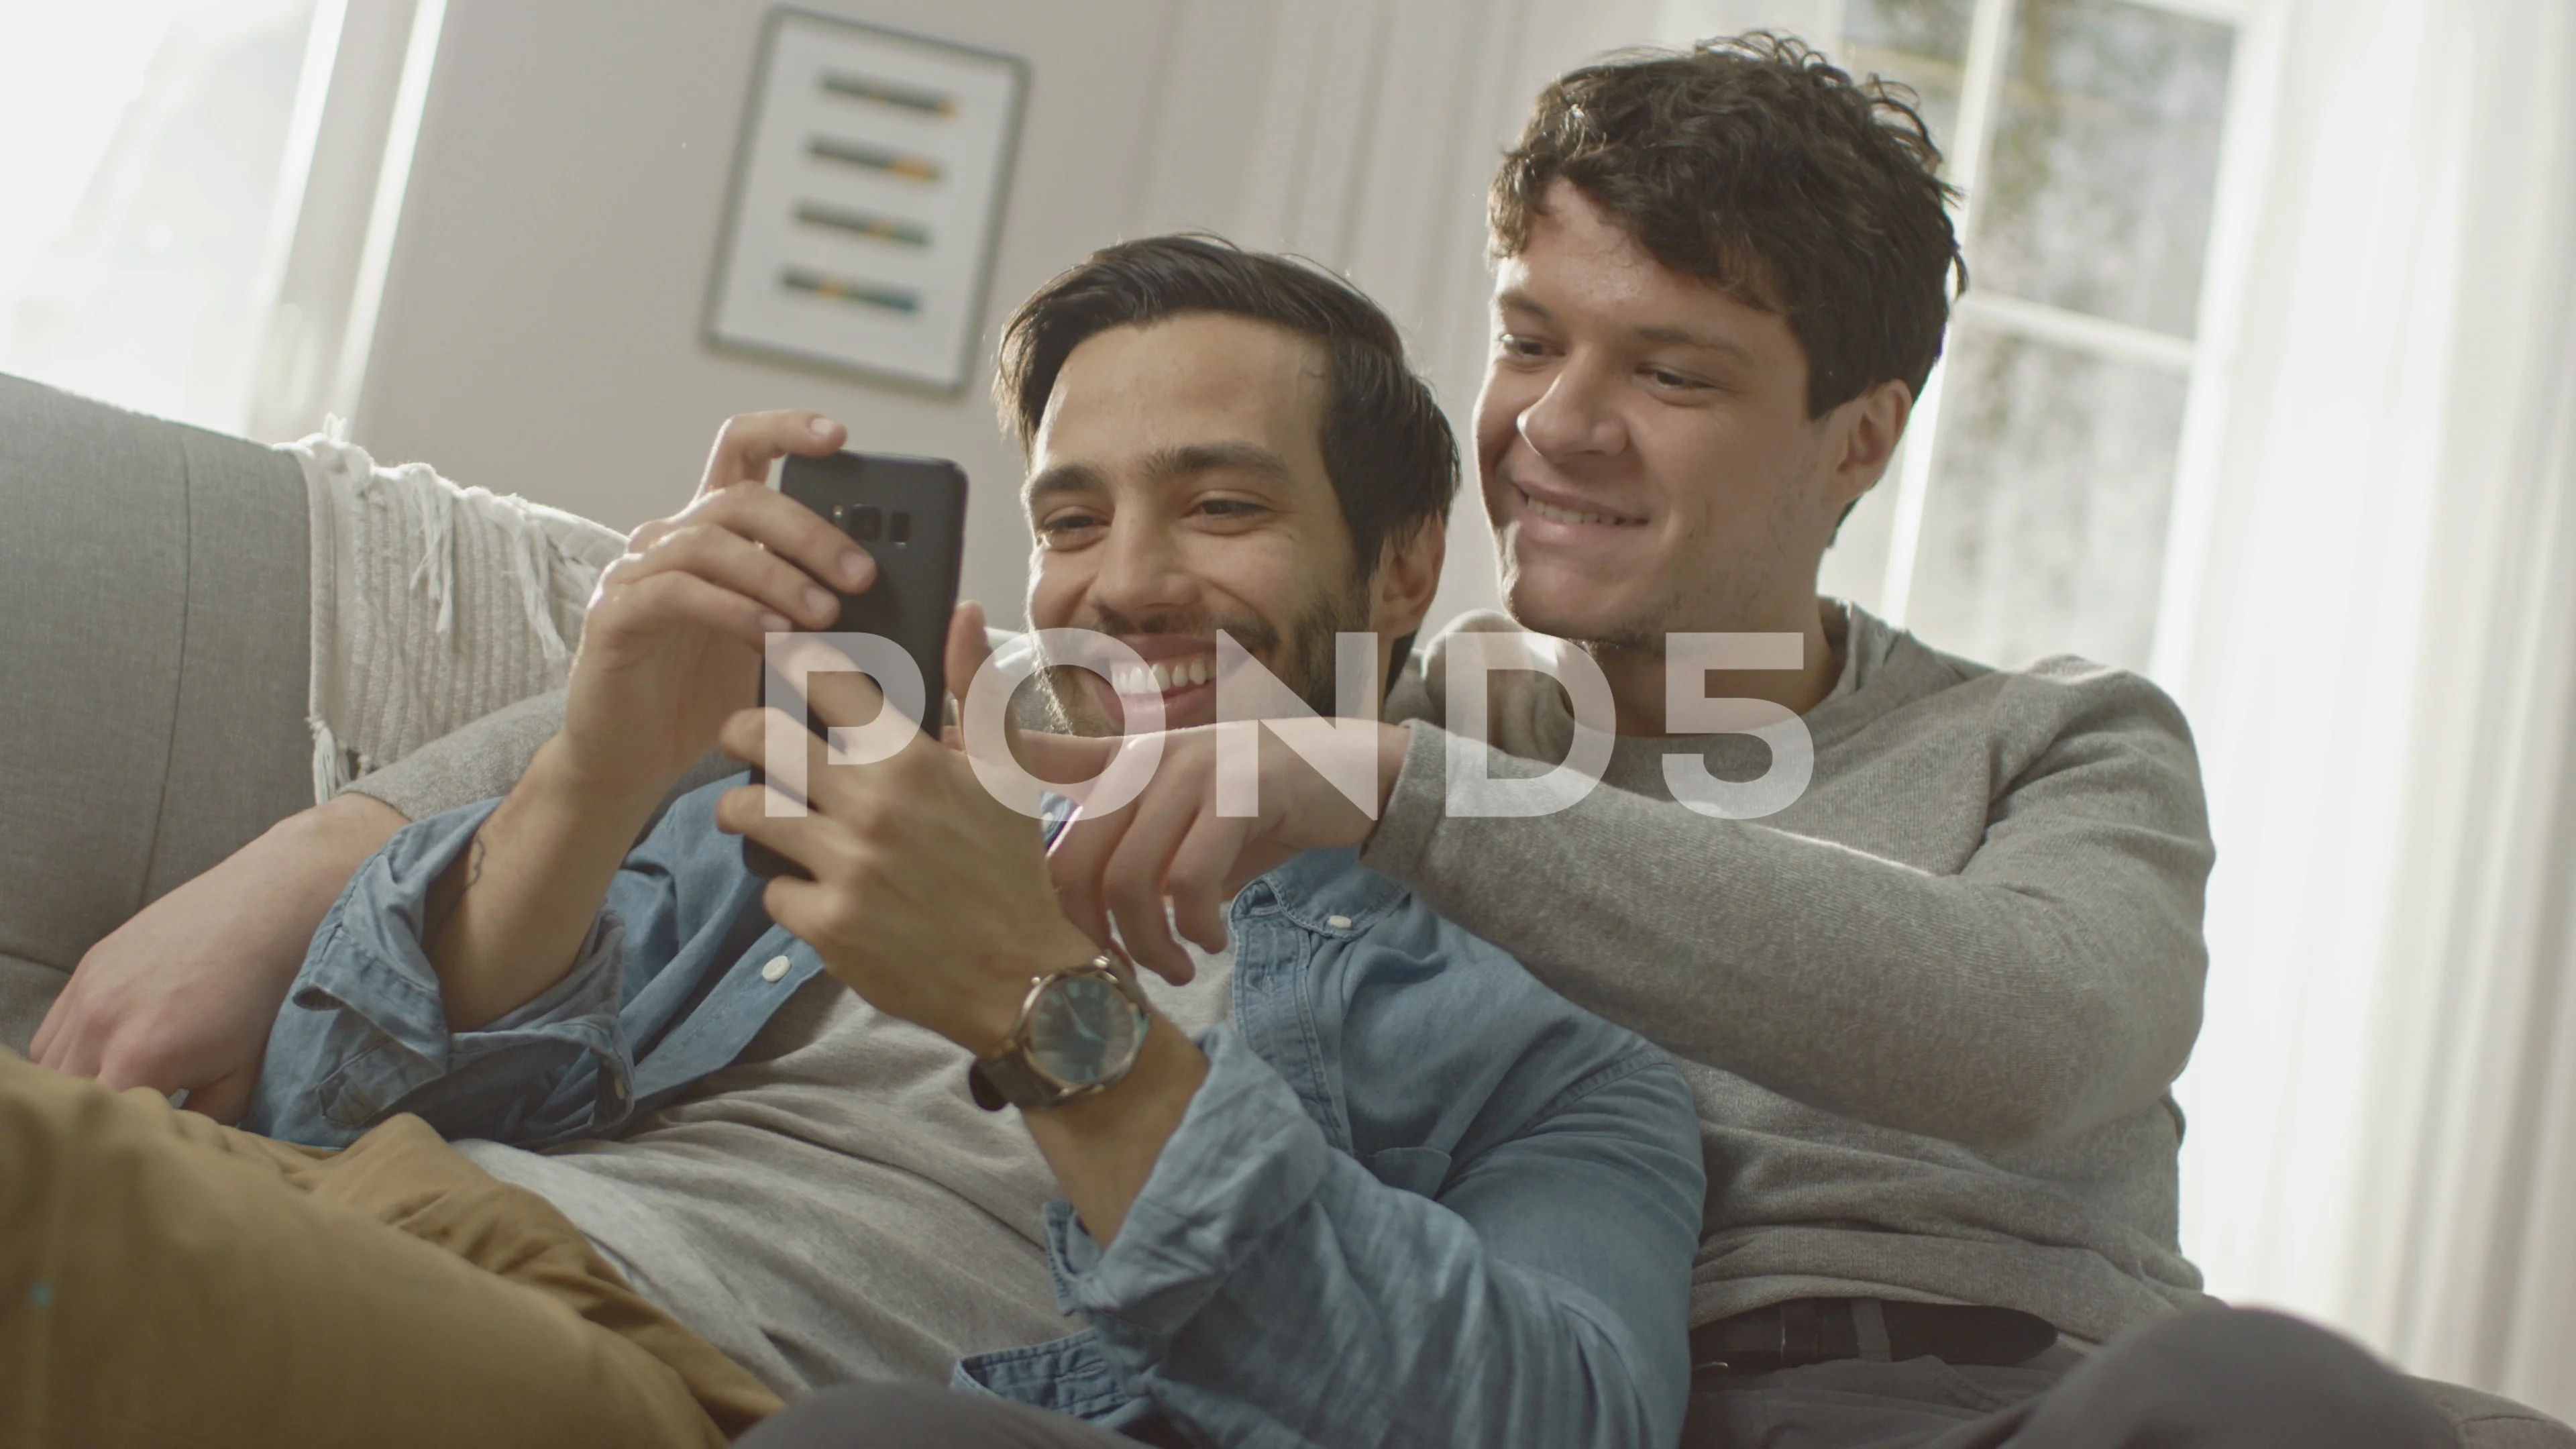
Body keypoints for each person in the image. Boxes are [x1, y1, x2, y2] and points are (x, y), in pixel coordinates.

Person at [31, 32, 2561, 1449]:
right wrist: (470, 779)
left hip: (1985, 1410)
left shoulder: (2016, 742)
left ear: (1865, 437)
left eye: (1672, 371)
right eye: (1531, 339)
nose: (1564, 423)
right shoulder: (1235, 743)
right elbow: (860, 679)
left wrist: (1345, 813)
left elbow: (2032, 1035)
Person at [3, 239, 1705, 1447]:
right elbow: (315, 1099)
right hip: (366, 1215)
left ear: (1407, 567)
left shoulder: (1534, 1033)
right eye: (1070, 517)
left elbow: (1553, 1419)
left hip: (649, 1369)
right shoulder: (840, 789)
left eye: (1221, 504)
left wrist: (1046, 1004)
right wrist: (594, 781)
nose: (1123, 583)